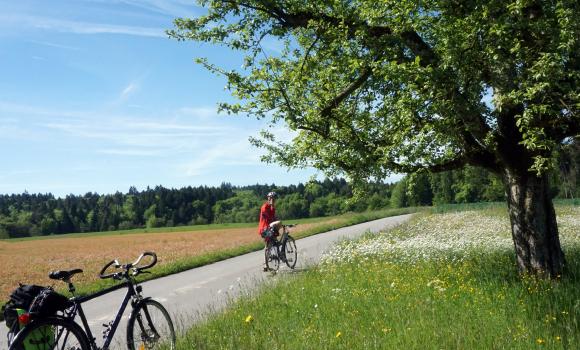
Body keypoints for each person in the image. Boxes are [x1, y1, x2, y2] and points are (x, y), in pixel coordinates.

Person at [258, 191, 281, 271]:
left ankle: (265, 264)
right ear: (268, 199)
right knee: (279, 223)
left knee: (268, 246)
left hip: (268, 228)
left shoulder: (272, 208)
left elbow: (274, 218)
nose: (273, 200)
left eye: (274, 199)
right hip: (264, 229)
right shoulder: (264, 207)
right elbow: (268, 217)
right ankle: (275, 236)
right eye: (271, 198)